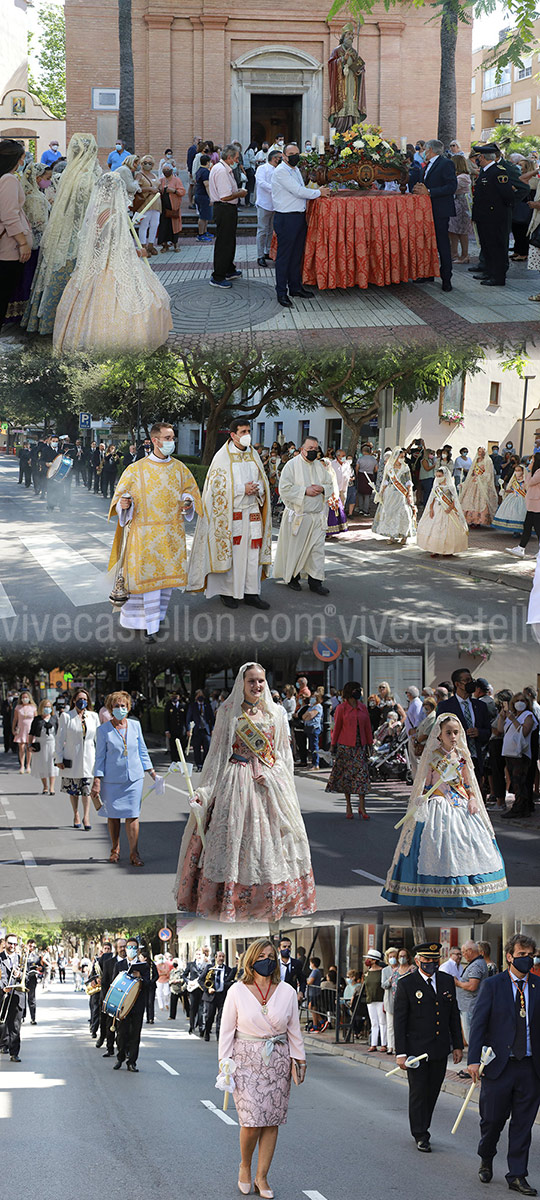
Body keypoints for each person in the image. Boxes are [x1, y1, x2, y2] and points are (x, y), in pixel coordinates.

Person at [175, 663, 316, 921]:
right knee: (234, 841)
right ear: (241, 683)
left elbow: (283, 755)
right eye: (251, 681)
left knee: (273, 844)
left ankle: (272, 902)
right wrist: (205, 792)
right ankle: (230, 902)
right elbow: (217, 756)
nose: (257, 686)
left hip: (268, 783)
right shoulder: (228, 712)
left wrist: (275, 777)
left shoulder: (275, 714)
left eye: (261, 681)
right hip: (236, 781)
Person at [382, 713, 509, 908]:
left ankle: (467, 893)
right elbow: (425, 784)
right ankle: (434, 894)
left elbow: (468, 784)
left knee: (469, 845)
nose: (453, 736)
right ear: (439, 735)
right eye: (448, 732)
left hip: (461, 806)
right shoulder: (433, 757)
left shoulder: (462, 757)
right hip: (438, 805)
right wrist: (422, 797)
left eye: (456, 732)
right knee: (434, 845)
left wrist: (473, 799)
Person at [217, 938, 306, 1197]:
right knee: (251, 1121)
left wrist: (299, 1060)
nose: (267, 960)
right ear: (251, 960)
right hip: (245, 1060)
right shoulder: (237, 990)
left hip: (278, 1059)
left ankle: (262, 1176)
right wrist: (225, 1065)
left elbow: (294, 1030)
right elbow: (226, 1031)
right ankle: (245, 1166)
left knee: (271, 1121)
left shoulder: (287, 991)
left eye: (271, 955)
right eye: (262, 955)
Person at [53, 172, 172, 353]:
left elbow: (96, 243)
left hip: (94, 266)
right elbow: (116, 246)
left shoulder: (95, 210)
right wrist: (138, 252)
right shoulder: (114, 214)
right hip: (114, 266)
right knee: (149, 301)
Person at [108, 421, 202, 640]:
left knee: (165, 582)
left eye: (172, 438)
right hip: (145, 537)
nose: (172, 442)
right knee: (147, 583)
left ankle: (156, 619)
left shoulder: (180, 468)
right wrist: (123, 505)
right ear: (155, 441)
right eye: (168, 438)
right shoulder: (135, 469)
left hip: (171, 536)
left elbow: (190, 492)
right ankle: (150, 627)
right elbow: (119, 499)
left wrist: (188, 502)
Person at [468, 933, 540, 1192]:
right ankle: (486, 1157)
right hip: (500, 1066)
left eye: (530, 955)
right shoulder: (493, 985)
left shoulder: (538, 986)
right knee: (492, 1120)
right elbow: (478, 1024)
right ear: (509, 956)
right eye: (521, 955)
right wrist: (473, 1060)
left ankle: (517, 1175)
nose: (527, 959)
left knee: (523, 1124)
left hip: (530, 1067)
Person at [187, 419, 272, 610]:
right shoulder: (222, 457)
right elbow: (215, 490)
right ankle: (228, 593)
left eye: (248, 431)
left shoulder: (254, 455)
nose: (247, 434)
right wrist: (243, 489)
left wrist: (257, 489)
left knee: (252, 555)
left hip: (252, 513)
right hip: (231, 515)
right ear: (233, 435)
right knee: (231, 555)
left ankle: (251, 592)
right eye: (242, 431)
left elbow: (263, 481)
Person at [22, 133, 102, 334]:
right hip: (80, 238)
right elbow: (92, 212)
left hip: (60, 236)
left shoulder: (67, 175)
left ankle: (48, 322)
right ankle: (73, 327)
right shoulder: (89, 178)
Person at [394, 941, 463, 1151]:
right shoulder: (407, 983)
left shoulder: (446, 980)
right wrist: (401, 1053)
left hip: (440, 1047)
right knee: (418, 1091)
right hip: (416, 1050)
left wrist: (457, 1044)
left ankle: (425, 1125)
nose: (431, 963)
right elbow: (400, 1020)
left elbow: (453, 1014)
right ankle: (420, 1133)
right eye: (427, 960)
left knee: (432, 1091)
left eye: (435, 960)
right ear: (417, 961)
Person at [91, 690, 156, 866]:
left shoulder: (135, 725)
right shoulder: (103, 730)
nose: (120, 708)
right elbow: (100, 757)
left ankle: (134, 853)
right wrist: (97, 780)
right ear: (111, 709)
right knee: (113, 816)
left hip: (134, 778)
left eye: (123, 706)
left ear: (128, 707)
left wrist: (152, 772)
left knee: (133, 815)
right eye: (116, 706)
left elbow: (142, 750)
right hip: (111, 780)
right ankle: (115, 849)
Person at [271, 143, 330, 306]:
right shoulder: (281, 171)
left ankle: (295, 287)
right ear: (283, 156)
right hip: (286, 218)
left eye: (297, 153)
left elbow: (302, 189)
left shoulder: (295, 169)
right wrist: (319, 193)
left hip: (298, 217)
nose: (295, 156)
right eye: (291, 153)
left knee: (296, 255)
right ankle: (281, 292)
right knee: (284, 257)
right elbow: (298, 191)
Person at [273, 436, 333, 594]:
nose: (313, 451)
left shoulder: (320, 467)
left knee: (317, 550)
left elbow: (329, 483)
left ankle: (316, 582)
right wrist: (304, 491)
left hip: (316, 517)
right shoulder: (291, 466)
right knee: (296, 549)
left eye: (315, 449)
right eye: (310, 449)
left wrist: (322, 488)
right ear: (301, 449)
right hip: (299, 516)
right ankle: (293, 577)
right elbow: (284, 488)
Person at [412, 138, 457, 291]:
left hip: (440, 210)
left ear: (430, 150)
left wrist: (430, 192)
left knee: (442, 243)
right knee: (427, 243)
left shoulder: (446, 164)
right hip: (425, 211)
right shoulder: (426, 167)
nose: (423, 152)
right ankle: (427, 273)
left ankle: (446, 278)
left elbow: (451, 186)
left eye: (424, 149)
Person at [326, 681, 373, 819]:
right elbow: (337, 727)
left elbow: (367, 727)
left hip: (360, 746)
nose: (359, 692)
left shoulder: (363, 708)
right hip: (345, 746)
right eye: (357, 690)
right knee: (347, 777)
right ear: (350, 691)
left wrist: (370, 744)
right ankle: (348, 806)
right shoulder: (342, 708)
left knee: (362, 777)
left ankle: (362, 807)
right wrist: (333, 745)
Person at [471, 143, 515, 287]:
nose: (477, 159)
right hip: (484, 217)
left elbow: (507, 195)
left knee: (496, 247)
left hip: (495, 217)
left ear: (482, 157)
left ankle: (498, 277)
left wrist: (498, 211)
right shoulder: (485, 171)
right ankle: (489, 272)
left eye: (478, 157)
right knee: (487, 246)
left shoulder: (498, 172)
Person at [437, 667, 493, 782]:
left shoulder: (480, 706)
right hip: (454, 758)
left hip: (475, 758)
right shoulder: (445, 706)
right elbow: (438, 731)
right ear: (457, 684)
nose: (471, 683)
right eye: (467, 680)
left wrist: (479, 732)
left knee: (476, 795)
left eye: (471, 679)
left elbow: (488, 731)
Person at [55, 688, 100, 831]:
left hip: (89, 757)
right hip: (71, 757)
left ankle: (86, 816)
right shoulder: (66, 716)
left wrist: (101, 757)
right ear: (74, 700)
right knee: (73, 790)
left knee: (86, 789)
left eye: (85, 699)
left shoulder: (93, 716)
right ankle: (76, 814)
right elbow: (59, 739)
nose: (83, 701)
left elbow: (98, 738)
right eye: (80, 698)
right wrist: (59, 758)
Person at [0, 139, 33, 331]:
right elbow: (9, 215)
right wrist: (23, 243)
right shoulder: (9, 179)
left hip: (7, 246)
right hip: (8, 247)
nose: (23, 162)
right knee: (3, 293)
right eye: (22, 158)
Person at [208, 144, 246, 289]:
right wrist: (240, 193)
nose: (237, 161)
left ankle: (228, 269)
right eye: (236, 158)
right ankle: (218, 276)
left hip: (227, 209)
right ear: (229, 157)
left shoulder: (224, 169)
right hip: (224, 208)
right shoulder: (222, 170)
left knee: (229, 240)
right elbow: (225, 196)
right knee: (224, 242)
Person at [112, 938, 152, 1073]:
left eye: (134, 948)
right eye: (129, 947)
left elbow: (148, 984)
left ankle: (132, 1062)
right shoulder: (119, 965)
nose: (131, 950)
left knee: (135, 1034)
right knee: (121, 1033)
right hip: (123, 1006)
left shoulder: (144, 966)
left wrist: (140, 976)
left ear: (138, 950)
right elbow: (114, 985)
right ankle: (120, 1057)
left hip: (138, 1005)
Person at [496, 691, 537, 819]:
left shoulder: (528, 715)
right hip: (509, 753)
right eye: (517, 700)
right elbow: (500, 730)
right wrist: (502, 717)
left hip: (521, 754)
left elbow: (524, 731)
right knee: (515, 781)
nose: (520, 703)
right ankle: (520, 806)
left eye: (523, 700)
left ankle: (520, 808)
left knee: (520, 781)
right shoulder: (512, 715)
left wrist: (513, 720)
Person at [417, 465, 469, 556]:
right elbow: (432, 498)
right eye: (437, 476)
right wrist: (431, 509)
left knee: (448, 529)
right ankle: (435, 549)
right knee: (435, 528)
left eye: (440, 476)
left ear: (445, 476)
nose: (438, 478)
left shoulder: (450, 487)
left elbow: (455, 499)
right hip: (437, 508)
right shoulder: (436, 486)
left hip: (448, 509)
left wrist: (450, 508)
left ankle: (447, 549)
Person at [371, 448, 415, 545]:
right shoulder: (389, 467)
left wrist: (410, 494)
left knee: (404, 513)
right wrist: (381, 492)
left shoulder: (405, 468)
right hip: (390, 493)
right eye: (401, 457)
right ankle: (392, 535)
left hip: (402, 494)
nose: (402, 459)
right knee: (390, 514)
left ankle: (404, 535)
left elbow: (408, 482)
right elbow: (386, 481)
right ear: (396, 457)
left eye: (403, 457)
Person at [506, 453, 540, 559]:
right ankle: (521, 548)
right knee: (527, 526)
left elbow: (529, 482)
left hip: (537, 503)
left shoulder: (538, 472)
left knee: (538, 528)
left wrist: (528, 471)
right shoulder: (535, 472)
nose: (530, 462)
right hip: (532, 503)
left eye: (532, 460)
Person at [0, 935, 27, 1061]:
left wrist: (20, 974)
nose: (12, 946)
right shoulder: (0, 958)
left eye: (15, 944)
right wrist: (2, 987)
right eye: (10, 943)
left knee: (15, 1026)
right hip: (3, 995)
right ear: (5, 943)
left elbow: (26, 978)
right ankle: (3, 1044)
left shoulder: (20, 958)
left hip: (17, 996)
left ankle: (14, 1053)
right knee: (2, 1024)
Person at [455, 939, 488, 1042]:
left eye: (464, 952)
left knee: (471, 1038)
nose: (463, 955)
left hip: (470, 1007)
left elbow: (472, 986)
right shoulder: (476, 963)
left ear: (469, 951)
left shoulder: (476, 965)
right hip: (468, 1006)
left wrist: (457, 983)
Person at [459, 447, 499, 527]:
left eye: (482, 451)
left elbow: (489, 474)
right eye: (479, 451)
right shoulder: (476, 460)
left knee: (480, 501)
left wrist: (480, 477)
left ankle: (478, 520)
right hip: (473, 483)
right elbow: (472, 471)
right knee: (469, 500)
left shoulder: (488, 461)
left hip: (482, 484)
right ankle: (470, 520)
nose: (480, 453)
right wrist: (465, 482)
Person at [255, 148, 281, 265]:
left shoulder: (279, 169)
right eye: (279, 158)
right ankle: (260, 255)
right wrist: (274, 188)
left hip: (275, 204)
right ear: (274, 158)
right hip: (264, 203)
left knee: (271, 230)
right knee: (262, 230)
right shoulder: (262, 168)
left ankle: (268, 252)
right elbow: (261, 182)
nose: (281, 160)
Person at [202, 950, 235, 1041]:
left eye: (223, 957)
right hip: (210, 996)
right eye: (219, 956)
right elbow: (200, 980)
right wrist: (207, 989)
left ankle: (219, 1037)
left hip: (222, 996)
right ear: (215, 957)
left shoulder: (228, 970)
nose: (221, 958)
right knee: (209, 1016)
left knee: (221, 1018)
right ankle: (207, 1032)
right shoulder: (209, 968)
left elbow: (229, 983)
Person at [29, 699, 59, 795]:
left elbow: (59, 733)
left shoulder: (54, 718)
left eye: (49, 707)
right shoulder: (37, 719)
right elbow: (31, 733)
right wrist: (30, 745)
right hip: (40, 744)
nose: (47, 709)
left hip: (52, 744)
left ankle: (52, 787)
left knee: (52, 765)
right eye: (45, 707)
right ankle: (45, 786)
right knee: (42, 765)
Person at [448, 153, 473, 263]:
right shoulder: (460, 176)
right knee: (453, 230)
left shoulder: (463, 177)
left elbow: (452, 187)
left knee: (462, 231)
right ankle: (454, 254)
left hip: (461, 206)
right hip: (456, 204)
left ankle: (464, 255)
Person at [134, 155, 161, 255]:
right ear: (141, 164)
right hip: (145, 203)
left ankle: (151, 244)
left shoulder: (154, 175)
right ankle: (143, 246)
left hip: (156, 203)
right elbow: (136, 188)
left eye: (150, 163)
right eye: (145, 162)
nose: (147, 165)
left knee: (155, 224)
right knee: (144, 225)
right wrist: (149, 189)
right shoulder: (139, 175)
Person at [493, 462, 527, 535]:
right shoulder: (514, 481)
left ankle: (520, 530)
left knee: (520, 514)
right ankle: (515, 530)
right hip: (513, 497)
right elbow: (512, 489)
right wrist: (504, 491)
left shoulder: (525, 481)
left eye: (519, 470)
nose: (517, 472)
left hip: (522, 499)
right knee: (513, 512)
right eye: (516, 470)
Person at [157, 163, 185, 252]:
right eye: (164, 170)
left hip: (173, 207)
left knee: (174, 226)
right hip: (163, 208)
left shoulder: (177, 180)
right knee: (164, 226)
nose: (166, 172)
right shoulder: (161, 180)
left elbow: (182, 191)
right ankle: (164, 244)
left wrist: (174, 191)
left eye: (168, 170)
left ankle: (176, 244)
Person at [364, 949, 387, 1052]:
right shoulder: (367, 972)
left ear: (374, 960)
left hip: (380, 999)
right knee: (374, 1022)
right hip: (370, 1000)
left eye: (369, 958)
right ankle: (373, 1044)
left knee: (382, 1022)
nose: (367, 960)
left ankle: (383, 1044)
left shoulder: (382, 971)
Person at [12, 689, 37, 774]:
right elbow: (15, 719)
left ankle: (28, 765)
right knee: (21, 747)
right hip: (21, 729)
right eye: (23, 697)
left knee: (29, 747)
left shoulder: (33, 707)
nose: (24, 699)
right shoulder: (18, 707)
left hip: (30, 729)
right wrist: (13, 728)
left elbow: (36, 719)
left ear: (29, 698)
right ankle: (22, 765)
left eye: (26, 697)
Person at [194, 153, 212, 242]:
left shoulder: (199, 170)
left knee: (205, 215)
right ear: (208, 162)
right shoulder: (205, 172)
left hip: (199, 194)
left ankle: (205, 232)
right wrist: (211, 197)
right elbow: (207, 185)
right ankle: (200, 234)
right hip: (203, 196)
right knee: (202, 216)